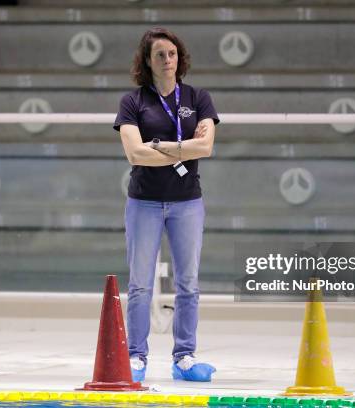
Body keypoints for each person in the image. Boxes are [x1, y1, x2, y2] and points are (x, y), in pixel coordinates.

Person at [113, 27, 219, 383]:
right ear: (147, 61)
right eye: (159, 54)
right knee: (141, 284)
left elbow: (206, 148)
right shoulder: (133, 102)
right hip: (143, 202)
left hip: (187, 202)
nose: (167, 60)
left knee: (188, 282)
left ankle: (184, 356)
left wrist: (156, 146)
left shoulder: (198, 97)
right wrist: (181, 146)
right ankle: (136, 357)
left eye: (172, 53)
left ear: (180, 57)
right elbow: (133, 153)